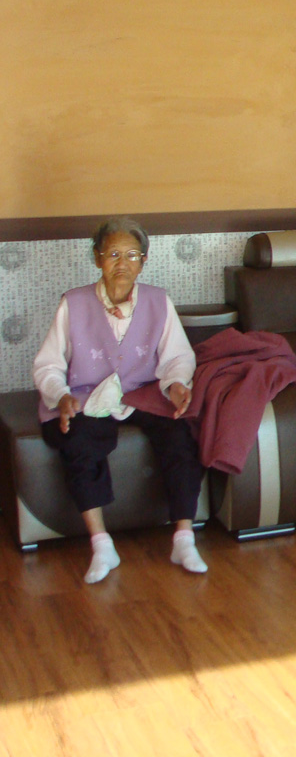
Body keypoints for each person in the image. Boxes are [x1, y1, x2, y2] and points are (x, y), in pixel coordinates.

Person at [33, 217, 207, 584]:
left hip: (142, 391)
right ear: (97, 258)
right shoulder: (74, 302)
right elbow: (48, 363)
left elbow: (177, 356)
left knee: (180, 434)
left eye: (132, 255)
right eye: (113, 254)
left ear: (144, 261)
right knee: (78, 441)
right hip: (87, 394)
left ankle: (183, 538)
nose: (122, 263)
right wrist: (61, 396)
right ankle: (101, 545)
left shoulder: (159, 301)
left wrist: (176, 384)